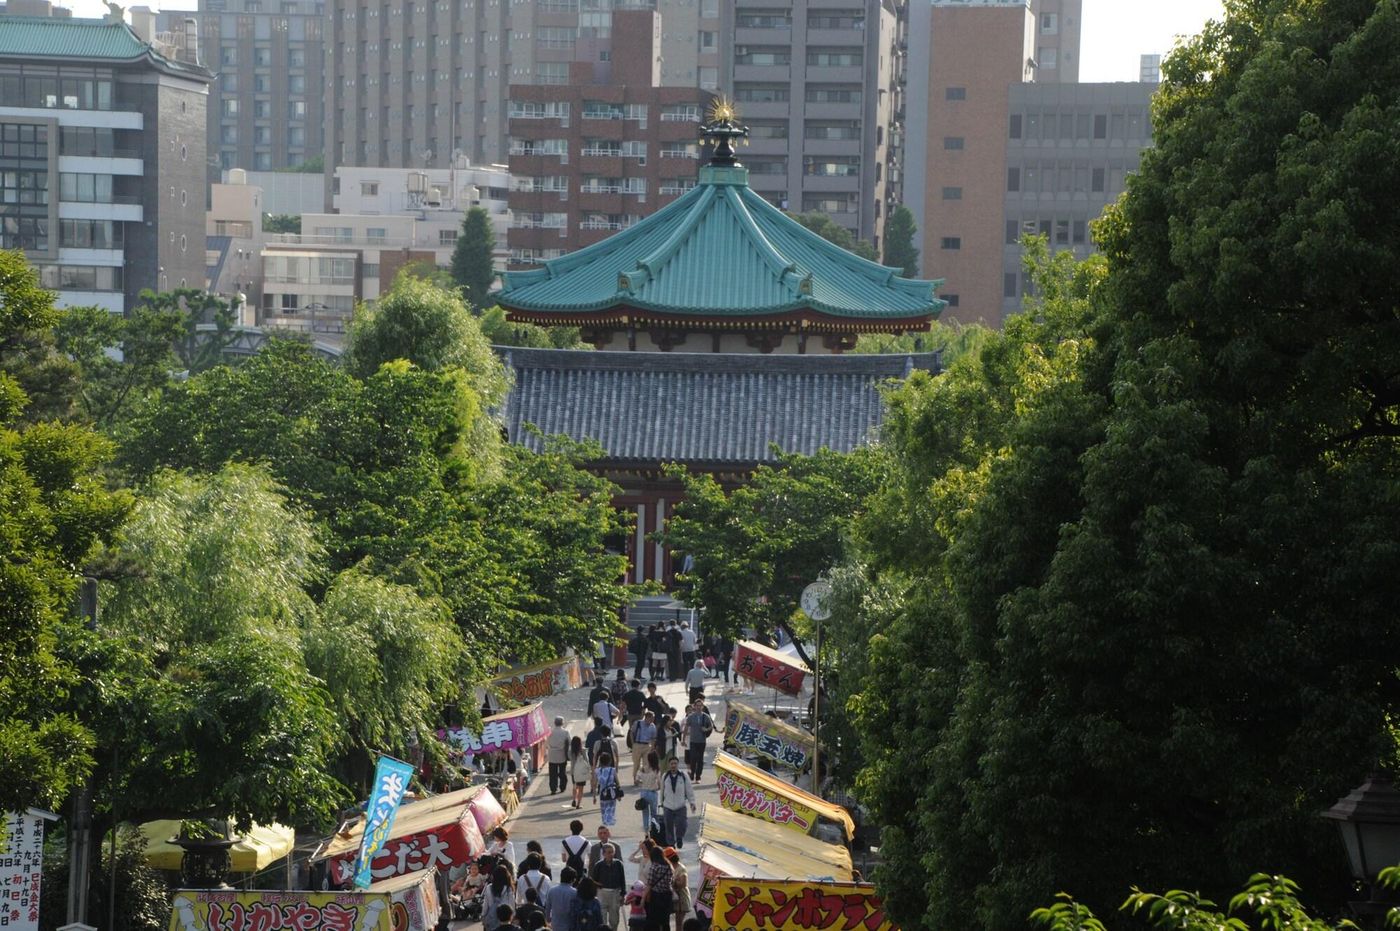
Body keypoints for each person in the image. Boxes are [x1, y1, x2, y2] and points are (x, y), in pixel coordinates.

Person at [657, 757, 695, 849]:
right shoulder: (665, 776)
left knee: (682, 824)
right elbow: (662, 790)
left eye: (675, 764)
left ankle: (679, 838)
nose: (673, 765)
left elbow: (689, 790)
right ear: (669, 765)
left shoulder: (683, 776)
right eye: (671, 764)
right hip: (668, 805)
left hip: (680, 805)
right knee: (668, 826)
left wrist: (692, 803)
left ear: (678, 765)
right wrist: (661, 802)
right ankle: (671, 844)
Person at [589, 841, 626, 931]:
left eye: (612, 852)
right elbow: (593, 880)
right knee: (602, 918)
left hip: (615, 893)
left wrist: (623, 894)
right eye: (608, 852)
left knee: (614, 919)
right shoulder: (599, 865)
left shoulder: (618, 864)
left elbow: (622, 880)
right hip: (602, 893)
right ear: (603, 853)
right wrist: (598, 885)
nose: (610, 854)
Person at [680, 700, 715, 783]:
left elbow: (711, 726)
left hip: (702, 741)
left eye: (700, 706)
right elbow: (686, 728)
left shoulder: (705, 716)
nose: (699, 707)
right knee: (693, 758)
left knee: (700, 759)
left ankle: (698, 776)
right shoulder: (691, 717)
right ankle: (692, 773)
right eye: (697, 706)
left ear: (702, 707)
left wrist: (706, 729)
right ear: (694, 707)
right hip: (693, 741)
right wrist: (683, 739)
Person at [641, 845, 673, 931]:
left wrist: (643, 898)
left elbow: (649, 884)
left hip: (656, 896)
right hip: (667, 895)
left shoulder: (654, 866)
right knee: (665, 920)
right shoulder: (669, 866)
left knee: (653, 920)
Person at [634, 749, 661, 835]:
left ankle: (646, 831)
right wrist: (657, 787)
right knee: (654, 813)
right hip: (653, 793)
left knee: (645, 813)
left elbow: (636, 780)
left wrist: (642, 783)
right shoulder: (656, 770)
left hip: (644, 792)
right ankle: (654, 829)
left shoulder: (643, 769)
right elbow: (659, 783)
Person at [482, 866, 516, 931]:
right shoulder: (509, 889)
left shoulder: (489, 888)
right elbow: (512, 905)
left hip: (491, 919)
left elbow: (485, 905)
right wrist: (513, 917)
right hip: (505, 918)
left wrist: (483, 916)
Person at [664, 848, 691, 931]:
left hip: (681, 898)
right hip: (673, 897)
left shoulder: (681, 868)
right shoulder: (670, 867)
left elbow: (683, 883)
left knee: (679, 922)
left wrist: (673, 882)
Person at [595, 751, 621, 827]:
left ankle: (605, 822)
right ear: (609, 761)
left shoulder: (597, 771)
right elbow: (617, 782)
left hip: (602, 793)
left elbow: (594, 784)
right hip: (612, 792)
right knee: (611, 809)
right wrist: (618, 795)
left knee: (604, 809)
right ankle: (610, 822)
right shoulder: (612, 770)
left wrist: (594, 796)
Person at [630, 710, 658, 778]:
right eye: (652, 718)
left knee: (647, 764)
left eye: (653, 718)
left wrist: (653, 747)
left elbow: (653, 738)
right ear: (647, 717)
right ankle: (635, 778)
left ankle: (644, 779)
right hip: (638, 744)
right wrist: (633, 743)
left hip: (647, 746)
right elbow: (631, 732)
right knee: (637, 764)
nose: (653, 719)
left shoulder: (653, 726)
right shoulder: (638, 723)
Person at [548, 716, 572, 795]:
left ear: (554, 723)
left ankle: (553, 788)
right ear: (562, 723)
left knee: (552, 773)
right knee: (562, 772)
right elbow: (570, 742)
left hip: (552, 754)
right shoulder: (565, 732)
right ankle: (562, 787)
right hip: (562, 754)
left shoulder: (550, 731)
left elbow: (546, 741)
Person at [570, 736, 591, 809]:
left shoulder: (571, 751)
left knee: (574, 786)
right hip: (581, 772)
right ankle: (578, 804)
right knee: (581, 789)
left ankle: (573, 800)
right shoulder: (583, 750)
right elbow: (587, 760)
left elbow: (569, 759)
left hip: (573, 771)